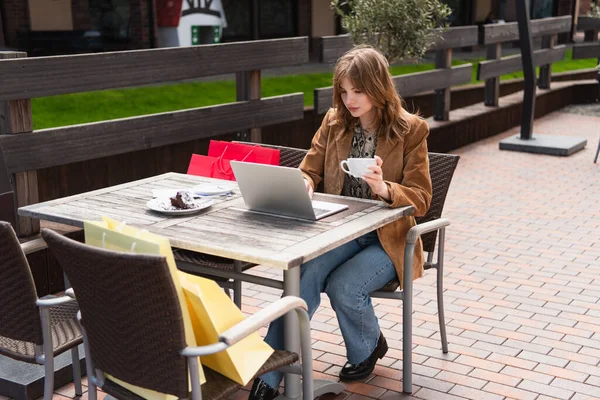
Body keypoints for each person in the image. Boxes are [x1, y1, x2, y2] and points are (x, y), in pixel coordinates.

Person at [249, 45, 432, 400]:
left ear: (378, 87)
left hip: (386, 237)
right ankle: (268, 375)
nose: (349, 99)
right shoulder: (334, 122)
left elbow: (422, 199)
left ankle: (368, 346)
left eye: (358, 91)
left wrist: (384, 187)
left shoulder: (412, 130)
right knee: (304, 276)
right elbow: (309, 168)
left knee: (344, 286)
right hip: (340, 231)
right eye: (344, 91)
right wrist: (305, 182)